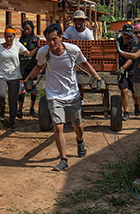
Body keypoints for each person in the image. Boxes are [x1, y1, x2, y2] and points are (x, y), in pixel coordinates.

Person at [22, 23, 102, 172]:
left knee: (77, 124)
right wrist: (27, 79)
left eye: (54, 39)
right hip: (53, 94)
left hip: (72, 94)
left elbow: (84, 64)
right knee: (58, 126)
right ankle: (63, 159)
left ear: (60, 37)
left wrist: (96, 76)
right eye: (48, 40)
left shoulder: (73, 50)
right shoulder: (43, 52)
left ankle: (80, 141)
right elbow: (39, 67)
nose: (51, 43)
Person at [0, 27, 29, 129]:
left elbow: (29, 54)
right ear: (4, 37)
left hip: (15, 76)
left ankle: (11, 121)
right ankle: (2, 109)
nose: (8, 39)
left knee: (13, 99)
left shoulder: (18, 46)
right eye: (6, 37)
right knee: (1, 94)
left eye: (10, 37)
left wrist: (39, 48)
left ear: (14, 37)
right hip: (2, 75)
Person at [18, 20, 41, 117]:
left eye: (28, 29)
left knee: (33, 88)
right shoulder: (21, 40)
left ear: (32, 29)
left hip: (33, 68)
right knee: (21, 88)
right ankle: (20, 109)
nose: (26, 31)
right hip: (23, 68)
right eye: (25, 29)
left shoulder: (36, 40)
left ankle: (32, 107)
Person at [115, 25, 134, 121]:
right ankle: (126, 112)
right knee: (124, 90)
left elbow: (131, 58)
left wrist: (123, 67)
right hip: (122, 71)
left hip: (133, 70)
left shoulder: (134, 43)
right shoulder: (118, 41)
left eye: (128, 35)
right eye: (125, 34)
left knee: (135, 93)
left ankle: (137, 104)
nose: (126, 37)